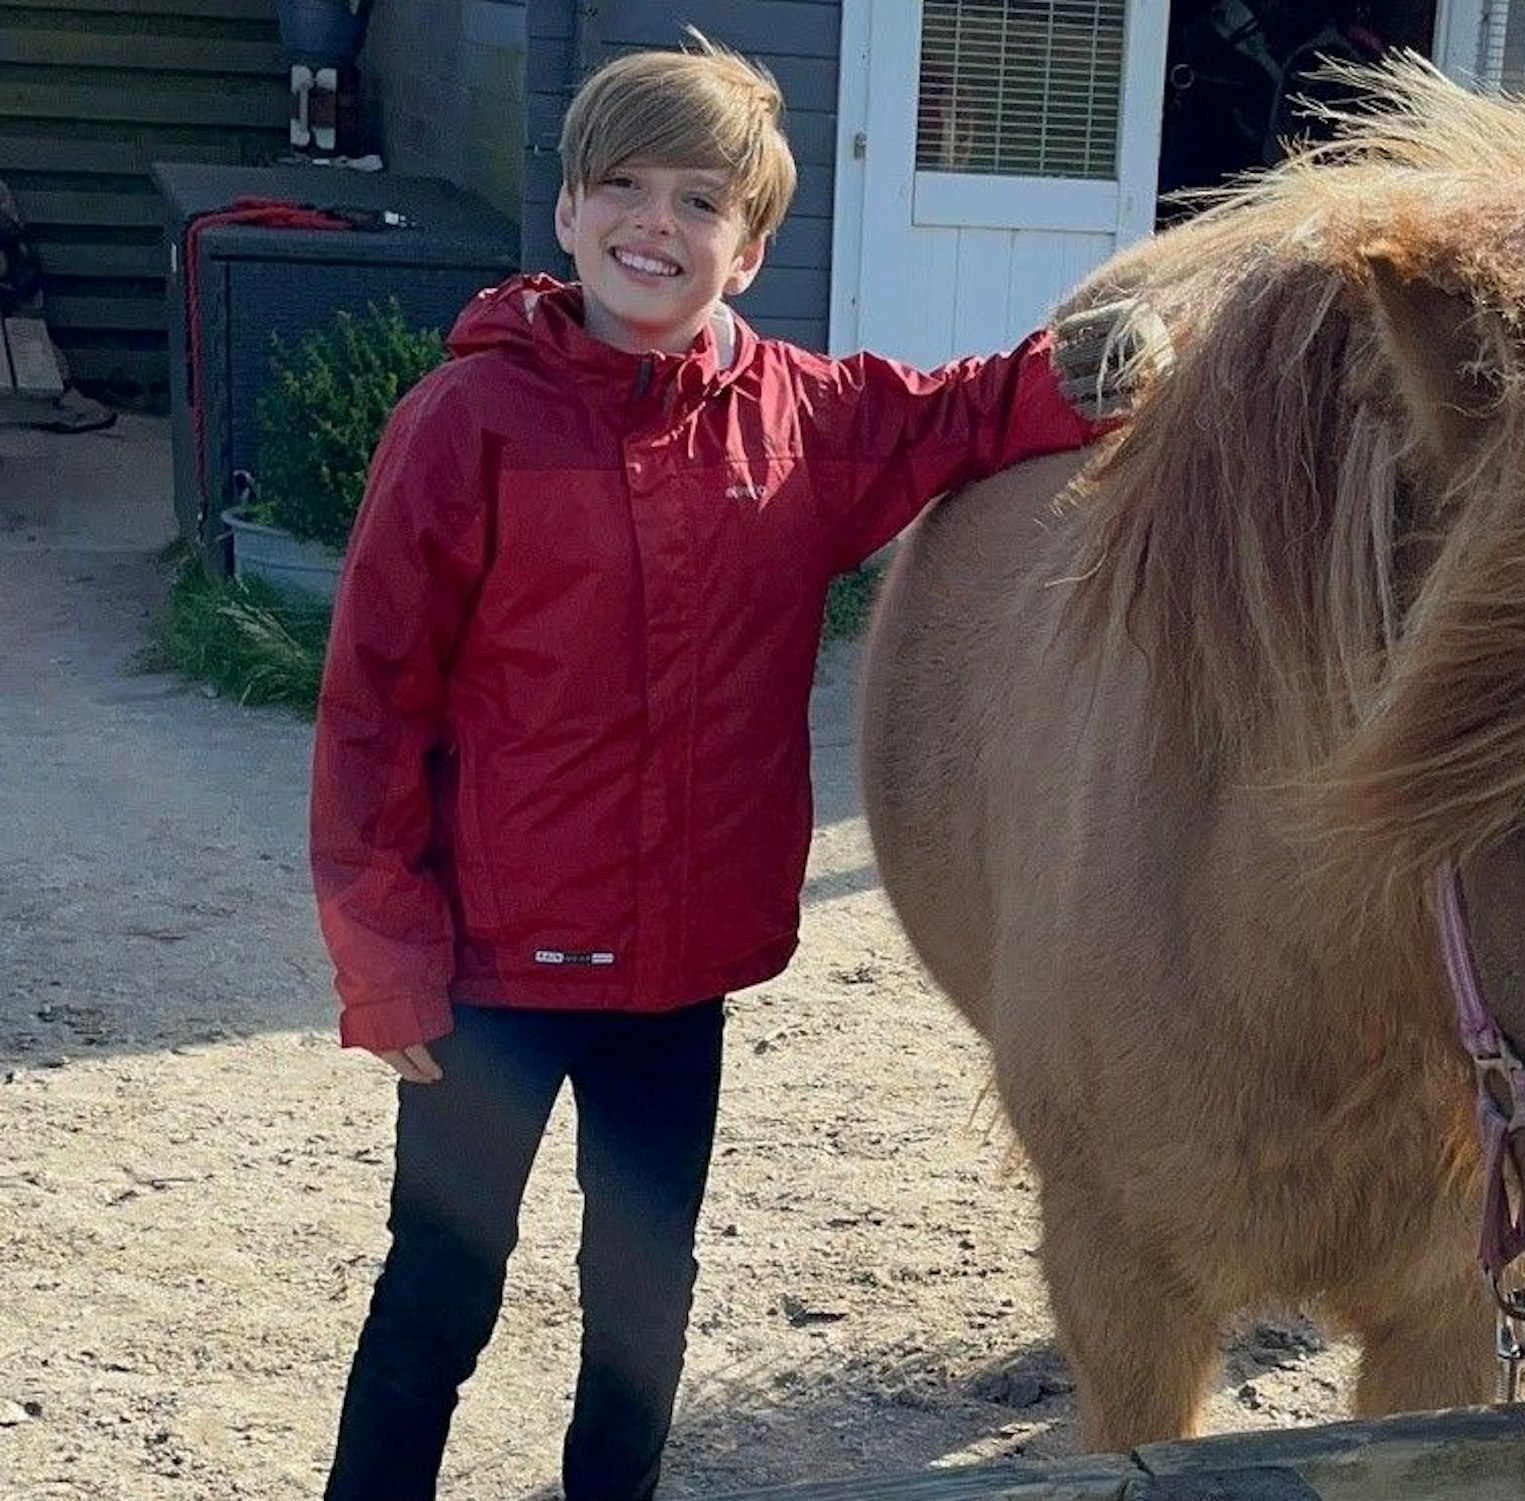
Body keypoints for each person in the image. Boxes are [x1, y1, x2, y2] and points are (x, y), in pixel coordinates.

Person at [310, 33, 1144, 1501]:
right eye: (621, 185)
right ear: (566, 216)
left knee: (642, 1306)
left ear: (748, 249)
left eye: (701, 201)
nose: (656, 224)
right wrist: (384, 962)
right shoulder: (464, 426)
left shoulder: (802, 419)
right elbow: (373, 709)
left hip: (674, 977)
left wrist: (1095, 369)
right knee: (443, 1287)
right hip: (488, 978)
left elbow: (960, 414)